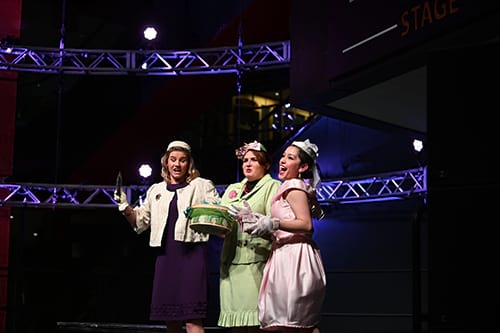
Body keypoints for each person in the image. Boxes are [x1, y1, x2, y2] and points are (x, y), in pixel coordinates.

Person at [114, 140, 220, 333]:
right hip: (166, 257)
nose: (177, 164)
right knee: (170, 319)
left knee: (192, 319)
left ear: (189, 164)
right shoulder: (156, 190)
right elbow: (140, 223)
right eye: (173, 160)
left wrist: (200, 212)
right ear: (166, 162)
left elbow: (217, 214)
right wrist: (125, 207)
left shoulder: (202, 185)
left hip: (192, 255)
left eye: (182, 160)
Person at [242, 139, 326, 333]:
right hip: (283, 254)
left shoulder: (295, 185)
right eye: (283, 156)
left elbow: (306, 225)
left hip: (294, 258)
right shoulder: (287, 186)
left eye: (290, 158)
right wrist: (257, 220)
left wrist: (273, 223)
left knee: (289, 323)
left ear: (303, 166)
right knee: (286, 324)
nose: (283, 160)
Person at [218, 140, 281, 333]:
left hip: (257, 263)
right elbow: (222, 221)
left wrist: (252, 218)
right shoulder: (233, 189)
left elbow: (277, 221)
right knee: (235, 325)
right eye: (245, 160)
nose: (248, 163)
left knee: (256, 323)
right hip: (231, 263)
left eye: (254, 160)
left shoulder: (273, 186)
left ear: (266, 164)